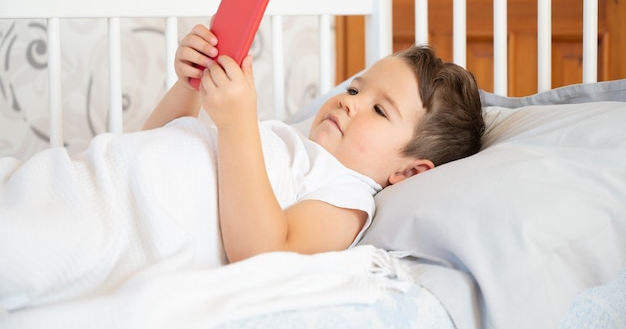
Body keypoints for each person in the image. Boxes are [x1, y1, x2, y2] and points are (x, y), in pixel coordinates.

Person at [143, 23, 485, 264]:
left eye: (379, 110)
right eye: (354, 89)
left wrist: (237, 124)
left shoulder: (346, 195)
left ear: (409, 171)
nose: (349, 102)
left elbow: (267, 252)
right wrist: (190, 84)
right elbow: (151, 146)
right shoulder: (286, 140)